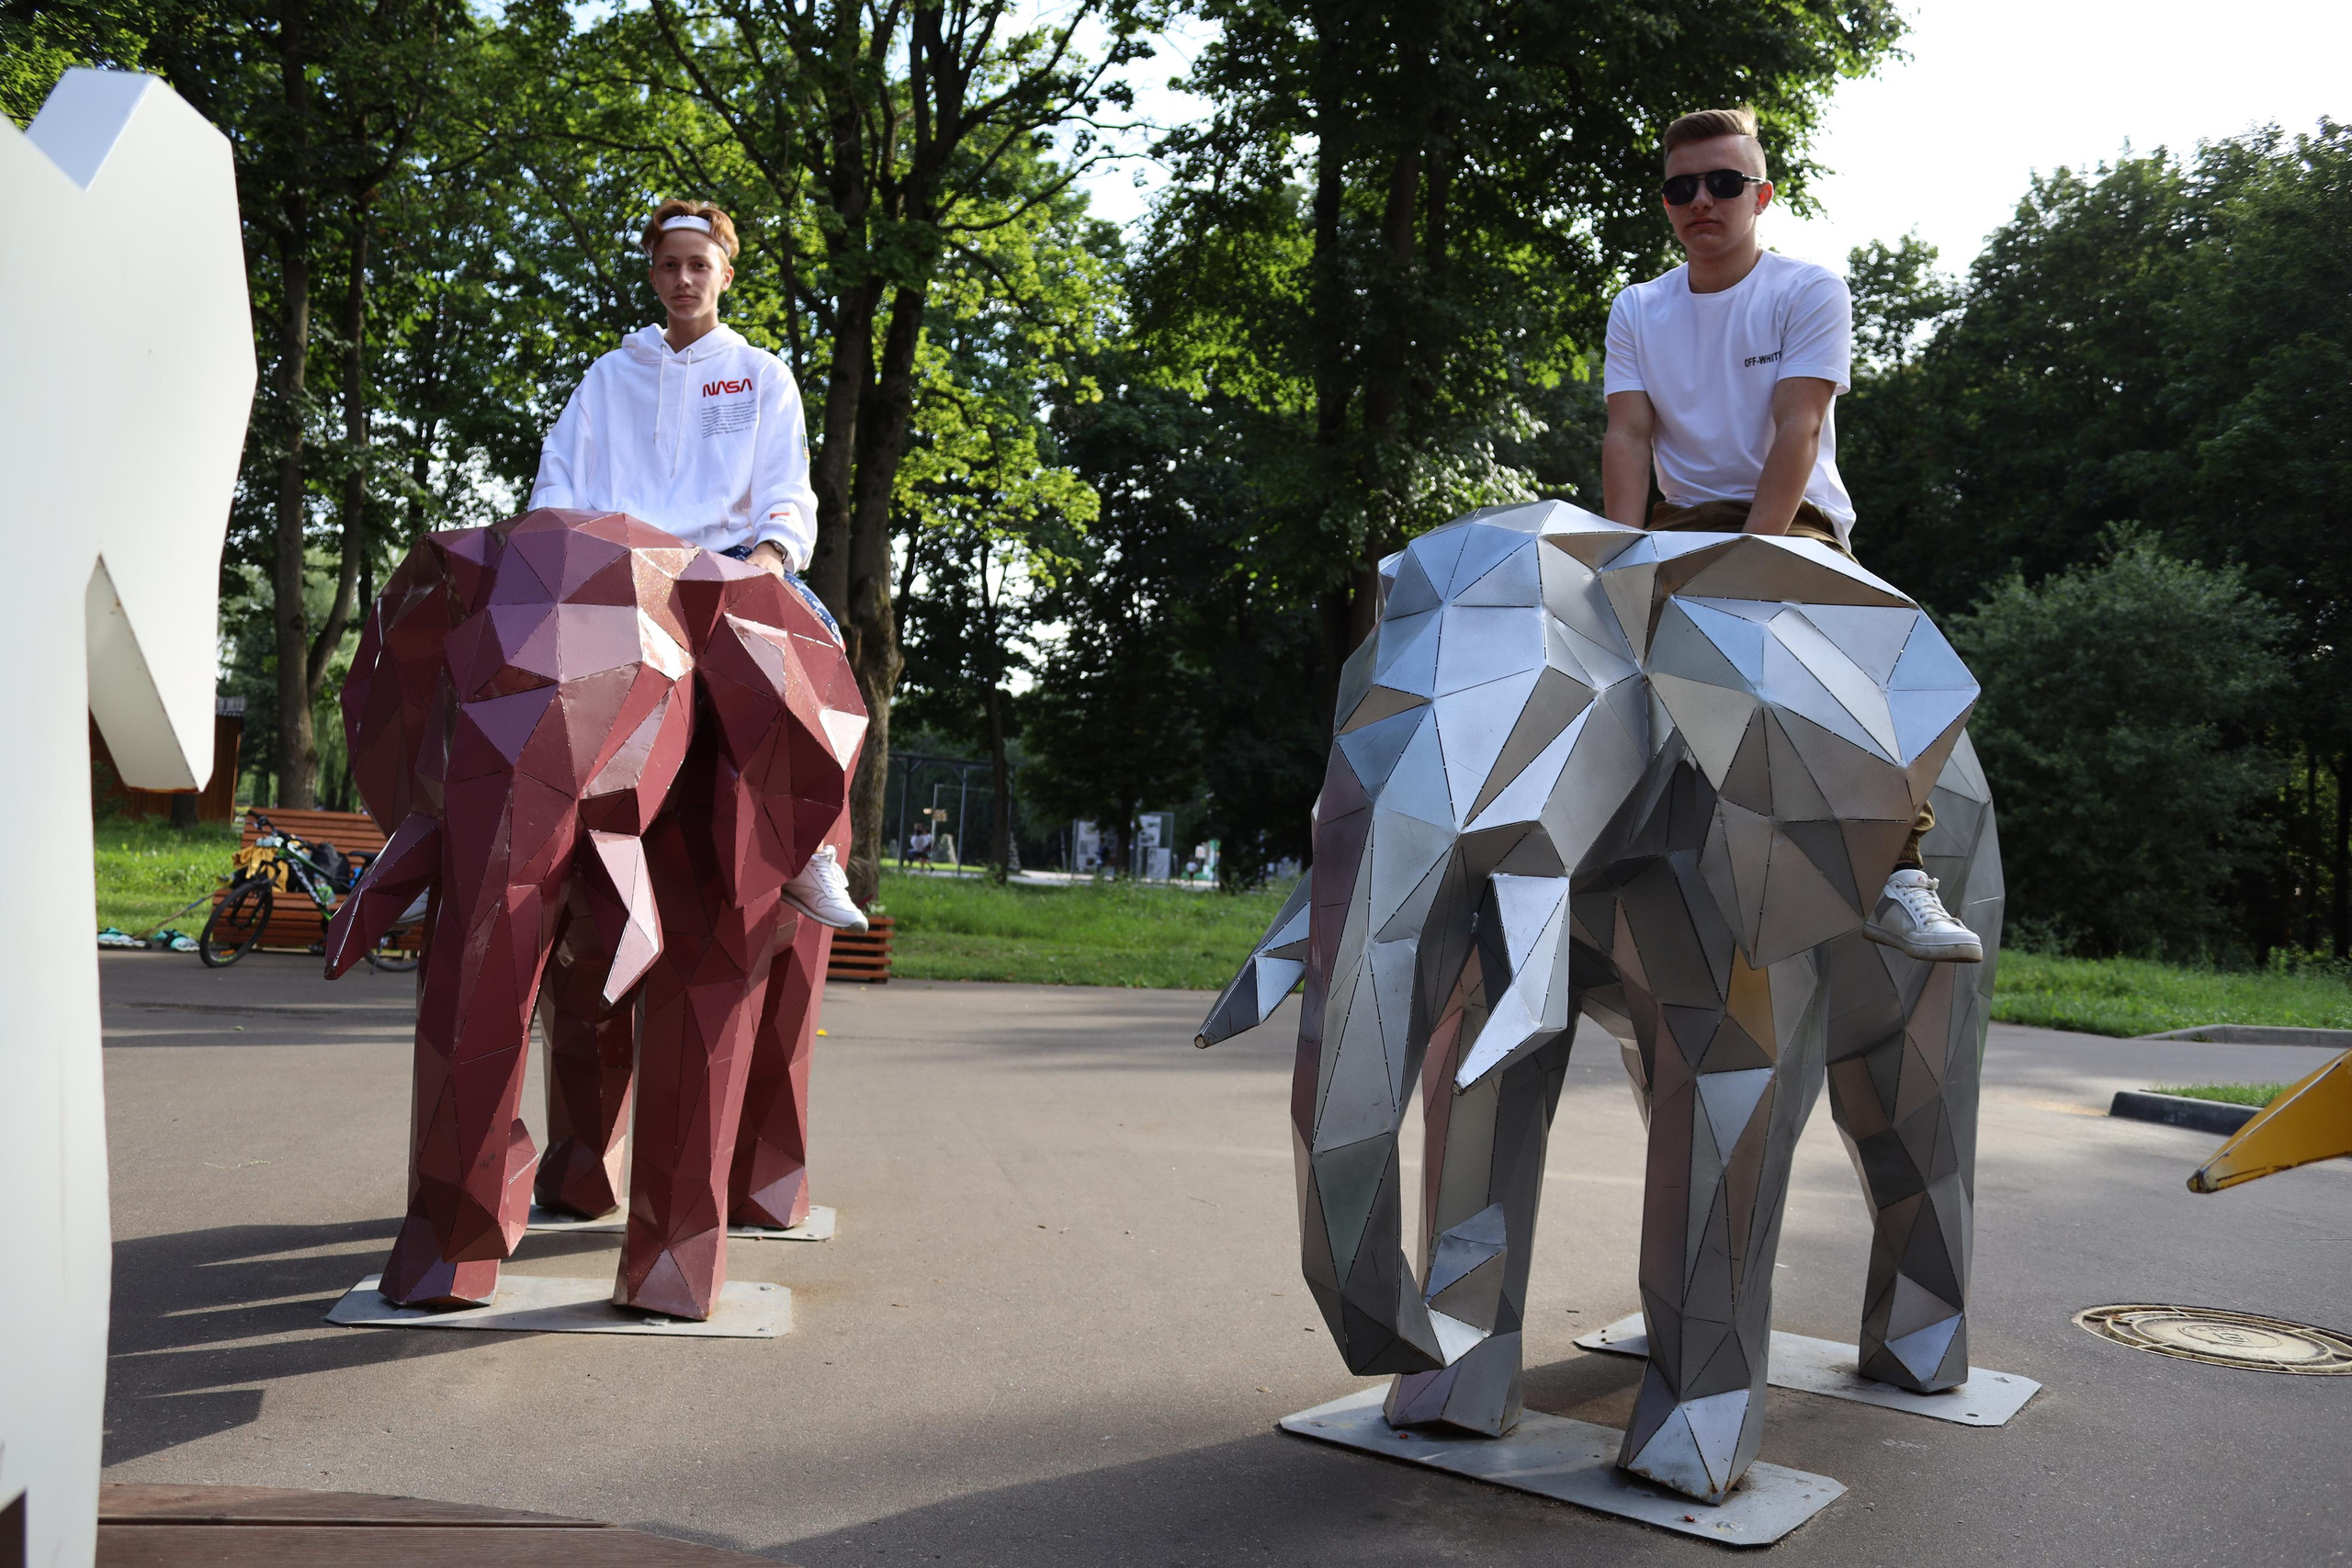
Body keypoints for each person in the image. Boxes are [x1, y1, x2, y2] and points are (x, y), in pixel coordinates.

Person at [1599, 107, 1979, 964]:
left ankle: (1900, 873)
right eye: (1682, 187)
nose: (1703, 200)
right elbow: (1628, 436)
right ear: (1665, 204)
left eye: (1725, 183)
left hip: (1790, 518)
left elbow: (1796, 433)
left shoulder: (1807, 291)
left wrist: (1756, 560)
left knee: (1873, 652)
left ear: (1761, 194)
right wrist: (1615, 558)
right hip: (1679, 522)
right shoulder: (1637, 308)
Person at [529, 198, 865, 932]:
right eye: (670, 266)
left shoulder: (761, 376)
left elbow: (786, 491)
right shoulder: (609, 378)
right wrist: (560, 548)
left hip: (728, 569)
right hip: (616, 571)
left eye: (699, 266)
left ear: (725, 275)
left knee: (811, 652)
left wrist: (771, 560)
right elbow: (557, 481)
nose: (684, 279)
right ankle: (471, 838)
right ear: (653, 274)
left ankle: (803, 847)